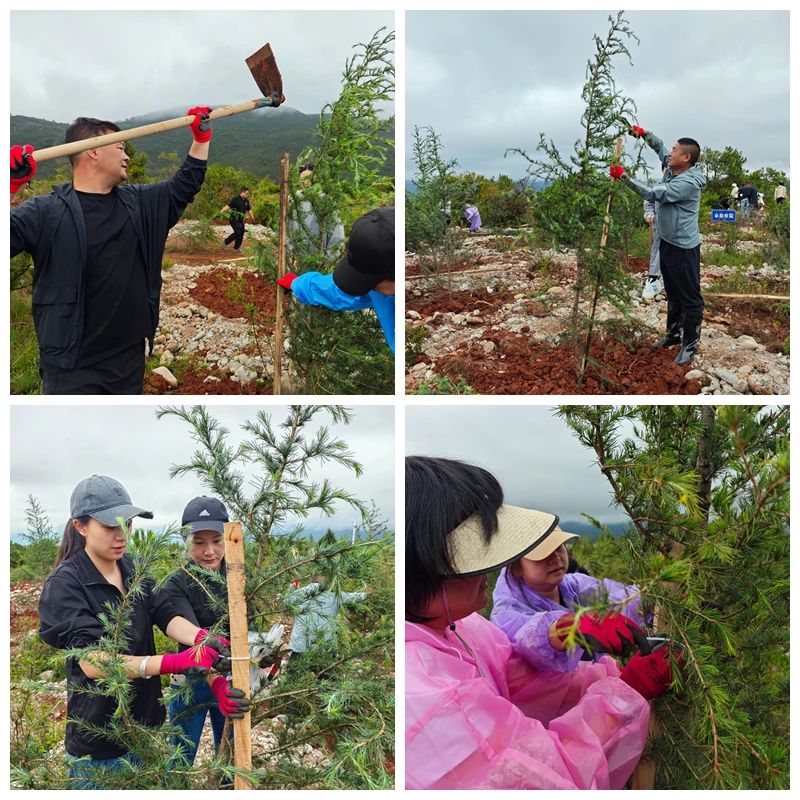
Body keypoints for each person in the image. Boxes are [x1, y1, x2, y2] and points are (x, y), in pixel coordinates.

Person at [406, 456, 679, 790]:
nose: (489, 570)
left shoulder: (463, 627)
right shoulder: (430, 694)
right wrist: (623, 696)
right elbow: (547, 778)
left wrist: (615, 674)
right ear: (427, 567)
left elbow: (520, 677)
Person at [38, 476, 247, 789]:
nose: (122, 535)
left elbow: (165, 614)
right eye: (110, 526)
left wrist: (201, 638)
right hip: (99, 745)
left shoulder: (131, 568)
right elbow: (93, 662)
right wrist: (169, 663)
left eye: (128, 524)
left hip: (147, 730)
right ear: (80, 526)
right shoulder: (66, 585)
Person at [10, 110, 210, 394]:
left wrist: (201, 138)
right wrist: (10, 186)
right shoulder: (45, 212)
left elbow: (184, 186)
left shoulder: (138, 203)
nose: (126, 156)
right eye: (120, 147)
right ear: (92, 151)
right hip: (71, 368)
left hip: (128, 362)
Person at [156, 496, 249, 766]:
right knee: (180, 757)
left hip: (233, 682)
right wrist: (216, 681)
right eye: (199, 543)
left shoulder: (239, 578)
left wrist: (258, 654)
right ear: (186, 541)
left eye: (217, 541)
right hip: (190, 680)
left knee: (230, 756)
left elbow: (247, 628)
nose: (209, 551)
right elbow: (192, 640)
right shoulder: (176, 584)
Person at [611, 126, 707, 365]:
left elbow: (651, 193)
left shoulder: (687, 183)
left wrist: (623, 177)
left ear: (686, 157)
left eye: (675, 150)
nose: (670, 153)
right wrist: (644, 134)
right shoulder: (675, 166)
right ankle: (673, 335)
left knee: (690, 296)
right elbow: (660, 147)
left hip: (683, 248)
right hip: (666, 242)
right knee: (672, 291)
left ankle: (690, 344)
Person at [491, 532, 646, 673]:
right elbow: (526, 638)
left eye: (558, 548)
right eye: (542, 555)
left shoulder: (573, 585)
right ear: (515, 568)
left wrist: (652, 599)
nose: (556, 558)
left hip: (594, 692)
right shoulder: (507, 611)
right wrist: (566, 628)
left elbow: (624, 599)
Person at [277, 206, 395, 352]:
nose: (367, 287)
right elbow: (335, 292)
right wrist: (296, 283)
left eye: (370, 281)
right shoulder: (380, 289)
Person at [286, 576, 368, 658]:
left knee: (296, 668)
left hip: (299, 647)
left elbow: (288, 601)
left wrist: (293, 587)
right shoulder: (336, 597)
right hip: (323, 648)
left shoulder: (301, 594)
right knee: (321, 669)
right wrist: (368, 592)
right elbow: (358, 597)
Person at [287, 162, 345, 257]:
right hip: (296, 258)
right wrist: (289, 255)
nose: (306, 182)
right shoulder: (292, 200)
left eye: (309, 179)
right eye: (303, 179)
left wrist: (329, 259)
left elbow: (336, 234)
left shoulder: (326, 201)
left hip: (320, 259)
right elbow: (287, 230)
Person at [641, 197, 663, 302]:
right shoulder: (659, 184)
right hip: (660, 227)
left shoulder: (687, 182)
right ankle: (653, 281)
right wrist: (649, 213)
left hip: (681, 229)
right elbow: (650, 202)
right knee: (657, 252)